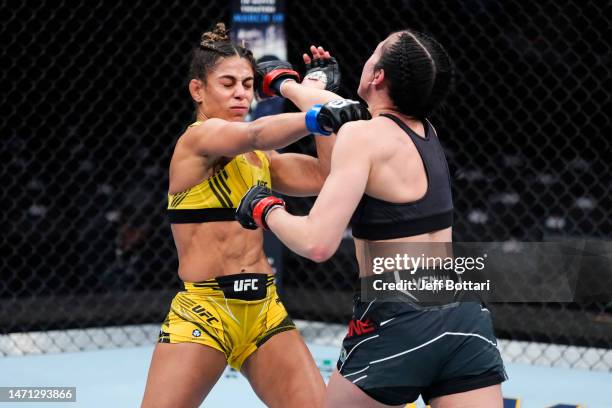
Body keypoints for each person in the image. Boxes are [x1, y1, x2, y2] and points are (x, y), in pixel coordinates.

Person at [237, 30, 507, 407]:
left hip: (399, 315)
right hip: (463, 317)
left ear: (377, 76)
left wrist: (266, 208)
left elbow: (317, 243)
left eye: (375, 51)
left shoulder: (363, 138)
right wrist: (288, 84)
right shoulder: (426, 132)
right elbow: (344, 111)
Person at [141, 23, 369, 408]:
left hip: (265, 312)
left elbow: (323, 174)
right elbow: (255, 132)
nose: (240, 94)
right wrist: (317, 112)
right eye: (227, 83)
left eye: (247, 84)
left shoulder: (262, 161)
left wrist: (314, 95)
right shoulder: (196, 141)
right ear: (198, 90)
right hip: (205, 313)